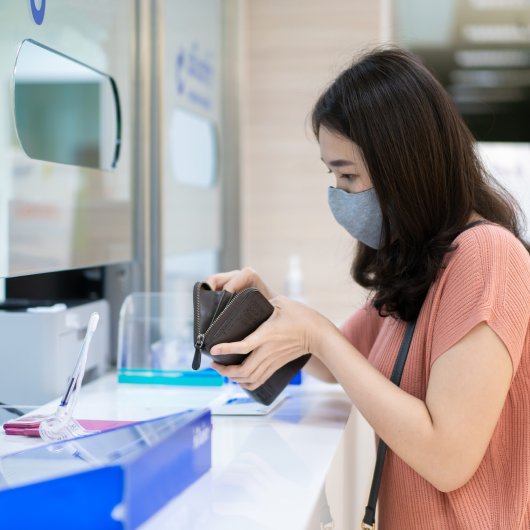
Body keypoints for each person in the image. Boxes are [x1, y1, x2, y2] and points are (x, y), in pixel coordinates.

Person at [206, 47, 530, 529]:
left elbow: (448, 459)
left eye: (348, 174)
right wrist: (269, 309)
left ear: (404, 165)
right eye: (332, 173)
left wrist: (318, 333)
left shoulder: (487, 255)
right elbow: (335, 363)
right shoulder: (426, 262)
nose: (337, 192)